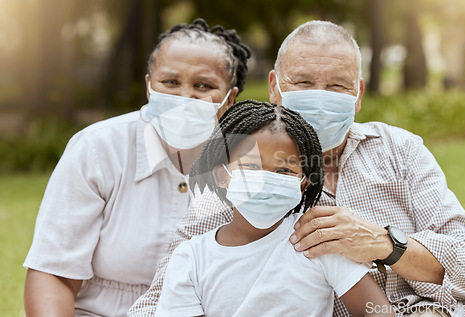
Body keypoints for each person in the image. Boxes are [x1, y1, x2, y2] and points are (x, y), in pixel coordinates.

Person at [129, 21, 465, 317]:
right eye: (303, 82)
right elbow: (162, 294)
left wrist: (383, 243)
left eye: (338, 85)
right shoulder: (237, 171)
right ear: (274, 86)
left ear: (358, 94)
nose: (320, 95)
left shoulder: (398, 150)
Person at [23, 18, 251, 316]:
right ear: (149, 86)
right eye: (170, 82)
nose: (184, 96)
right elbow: (54, 271)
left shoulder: (252, 162)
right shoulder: (97, 148)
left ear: (229, 99)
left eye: (203, 85)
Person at [156, 100, 394, 316]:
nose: (265, 180)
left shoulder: (318, 242)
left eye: (284, 171)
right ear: (221, 176)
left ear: (303, 184)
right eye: (251, 166)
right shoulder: (191, 259)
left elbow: (377, 312)